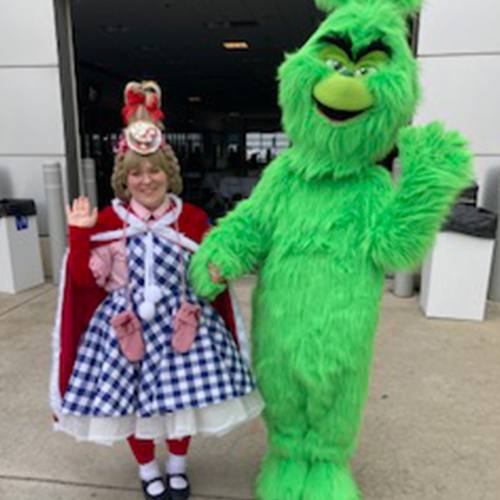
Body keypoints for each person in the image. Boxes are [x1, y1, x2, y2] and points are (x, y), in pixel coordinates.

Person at [50, 81, 263, 500]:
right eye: (136, 172)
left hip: (184, 328)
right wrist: (79, 236)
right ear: (123, 179)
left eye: (154, 170)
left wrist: (219, 274)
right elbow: (83, 284)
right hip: (125, 331)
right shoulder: (107, 222)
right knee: (134, 408)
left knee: (183, 402)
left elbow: (208, 280)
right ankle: (148, 470)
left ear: (170, 172)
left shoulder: (194, 219)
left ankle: (178, 466)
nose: (146, 180)